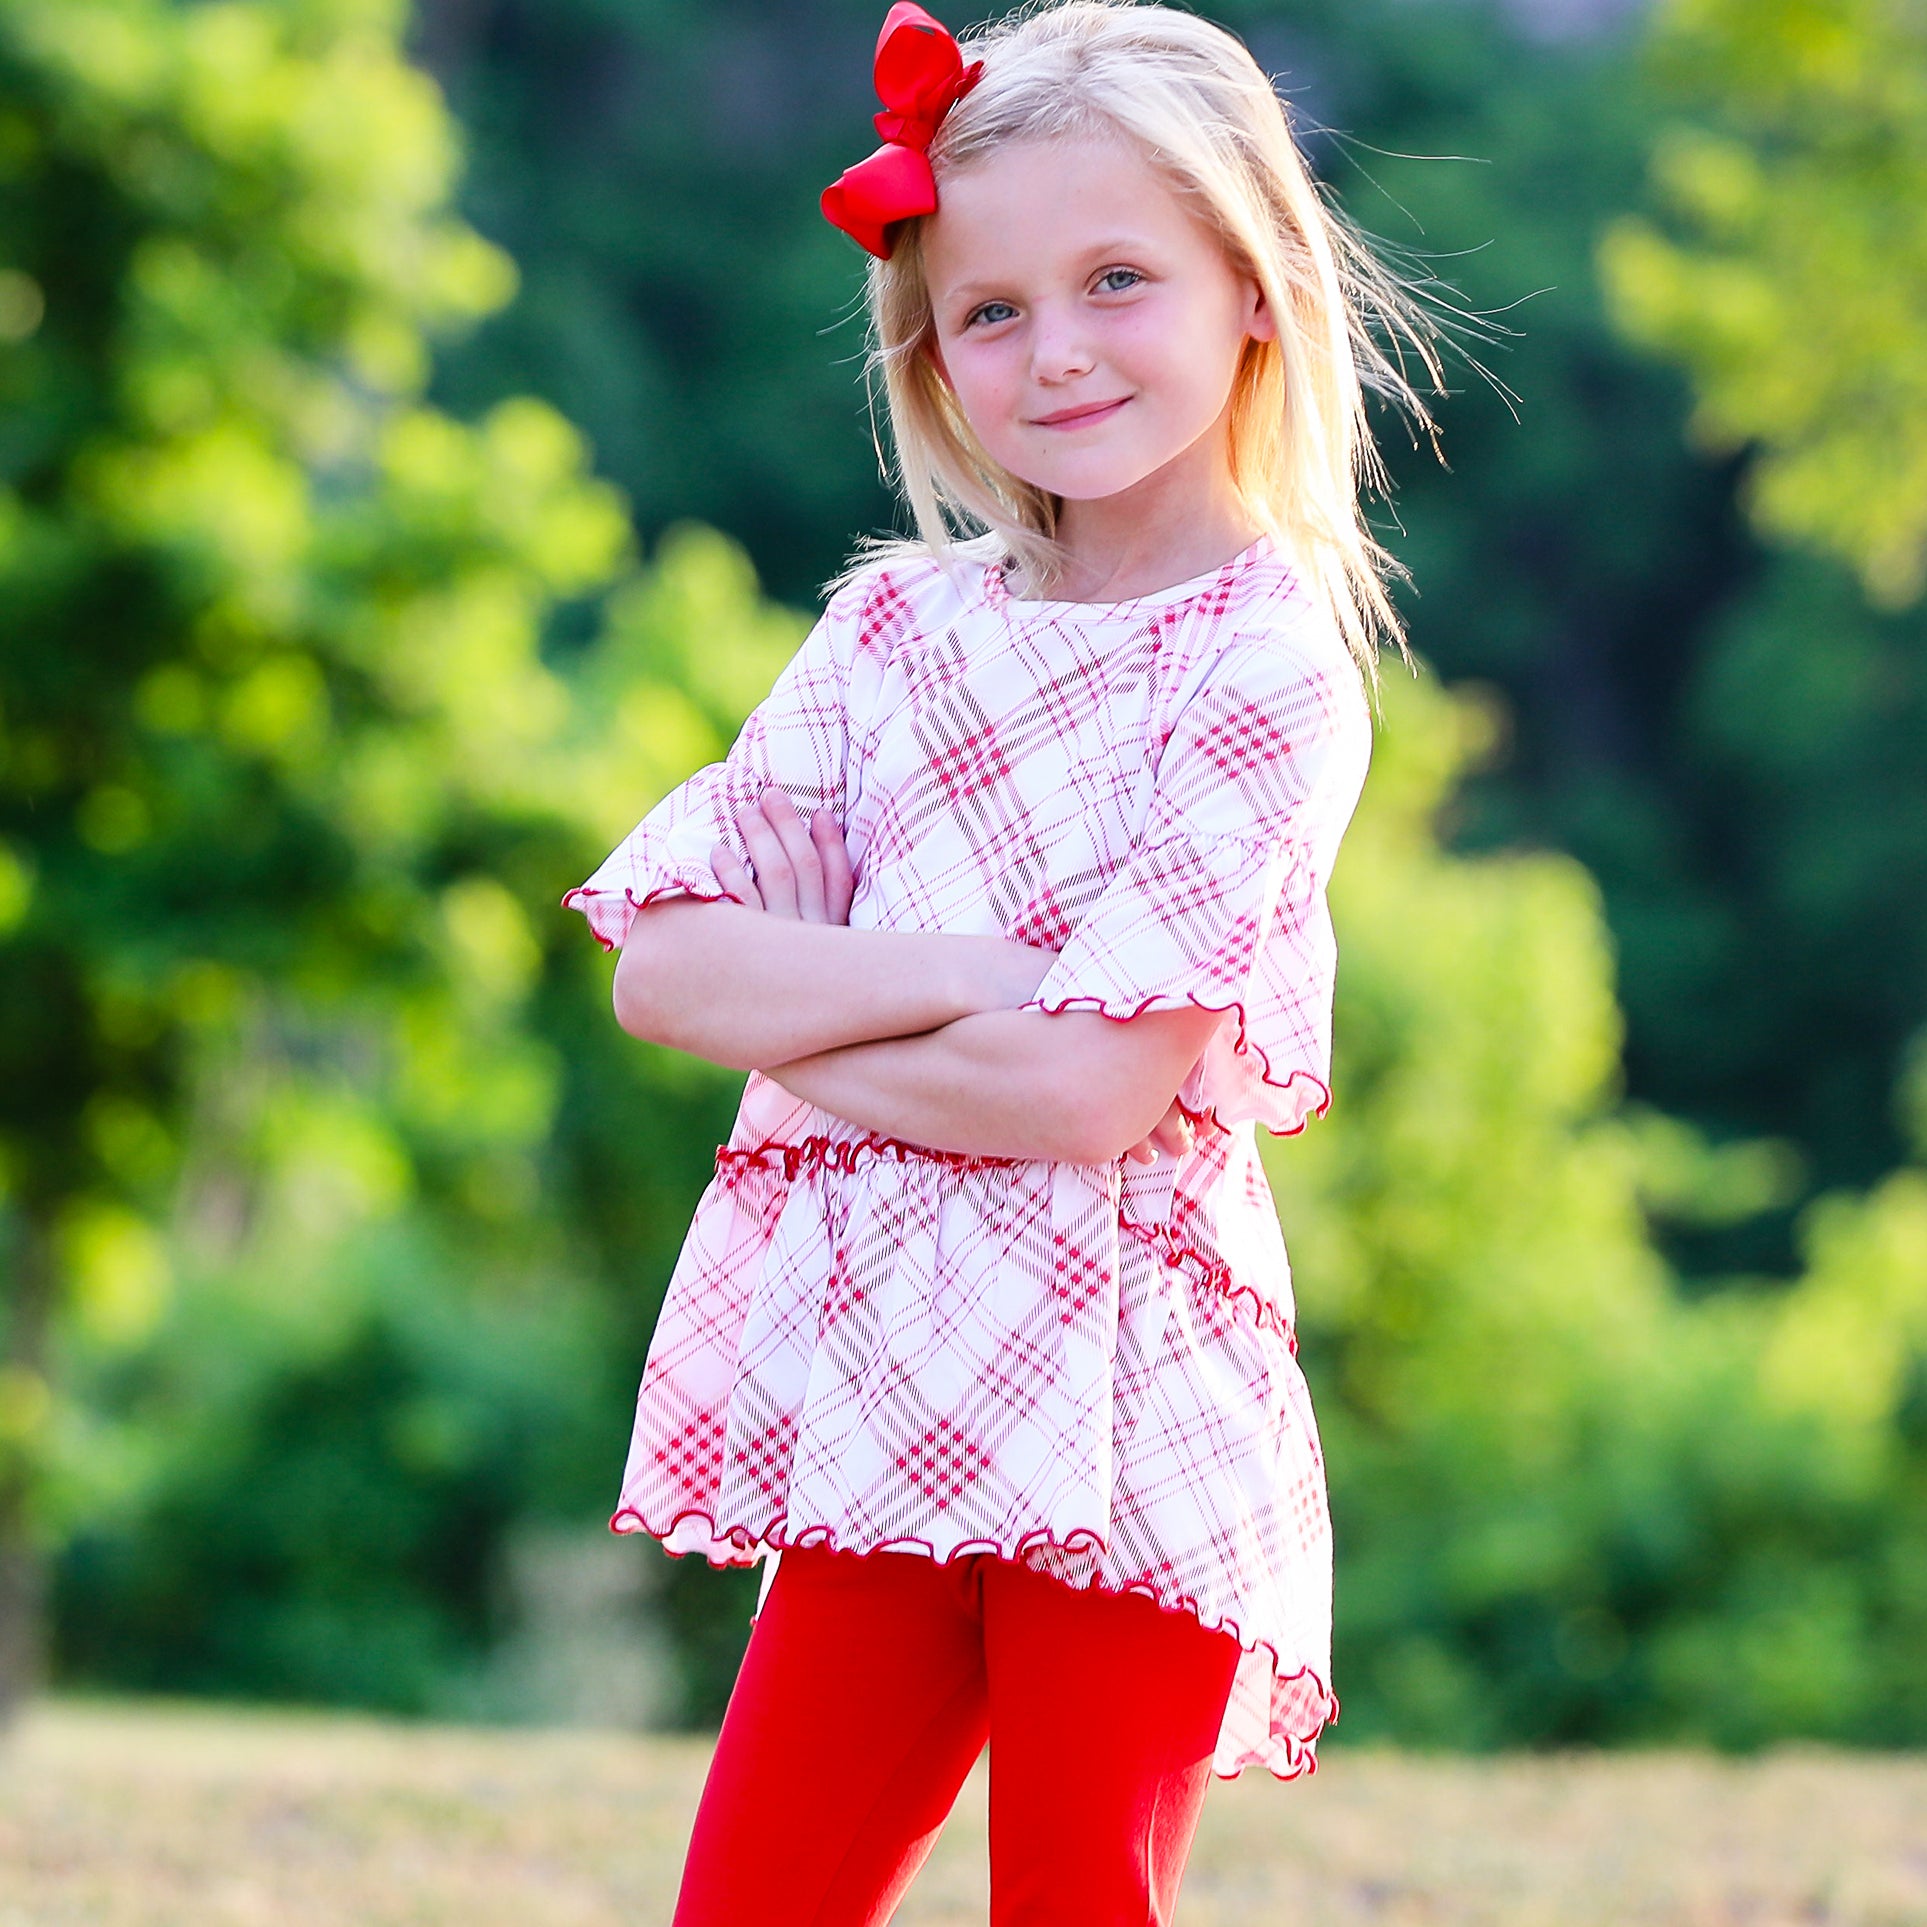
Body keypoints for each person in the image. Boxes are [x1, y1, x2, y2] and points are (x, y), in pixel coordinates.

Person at [565, 4, 1443, 1920]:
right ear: (931, 352)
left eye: (1117, 281)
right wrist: (970, 967)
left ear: (1256, 289)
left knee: (1072, 1895)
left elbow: (1085, 1091)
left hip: (1137, 1410)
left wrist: (821, 1007)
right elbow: (664, 972)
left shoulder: (1268, 665)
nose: (1055, 353)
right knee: (755, 1897)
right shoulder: (891, 634)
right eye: (990, 311)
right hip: (886, 1379)